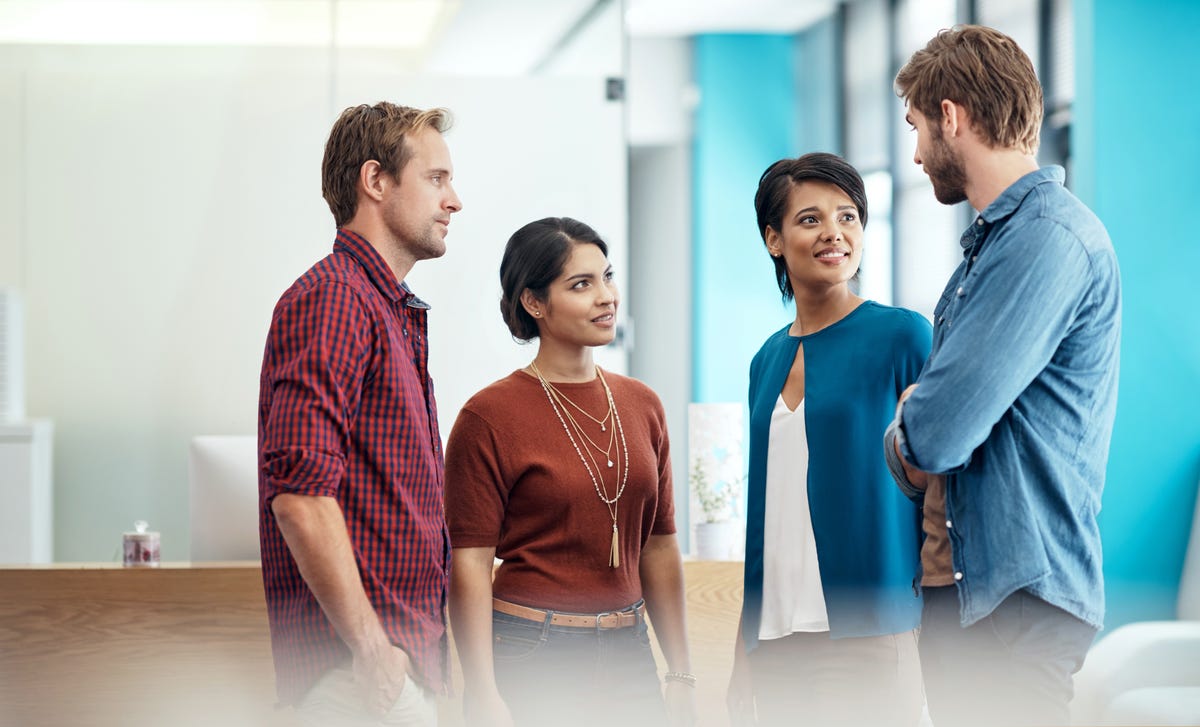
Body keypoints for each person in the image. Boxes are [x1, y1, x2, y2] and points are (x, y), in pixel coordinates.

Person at [885, 25, 1121, 727]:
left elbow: (939, 430)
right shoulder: (987, 252)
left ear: (952, 117)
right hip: (969, 594)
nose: (918, 153)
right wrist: (922, 422)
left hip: (1014, 606)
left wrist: (907, 425)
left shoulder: (1046, 239)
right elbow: (939, 427)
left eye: (918, 128)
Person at [444, 217, 696, 727]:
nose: (606, 296)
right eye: (581, 285)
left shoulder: (643, 404)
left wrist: (682, 672)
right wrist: (483, 691)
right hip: (534, 648)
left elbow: (659, 547)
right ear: (534, 303)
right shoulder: (487, 416)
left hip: (630, 645)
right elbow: (469, 565)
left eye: (607, 276)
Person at [257, 101, 463, 727]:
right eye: (436, 178)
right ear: (375, 182)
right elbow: (298, 496)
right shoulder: (335, 300)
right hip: (361, 677)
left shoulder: (387, 309)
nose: (455, 200)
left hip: (395, 668)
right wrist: (373, 650)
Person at [727, 152, 931, 727]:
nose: (834, 233)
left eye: (848, 216)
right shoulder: (765, 360)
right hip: (777, 639)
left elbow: (942, 484)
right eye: (811, 219)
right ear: (775, 239)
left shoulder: (903, 337)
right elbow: (764, 510)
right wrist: (746, 647)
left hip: (873, 628)